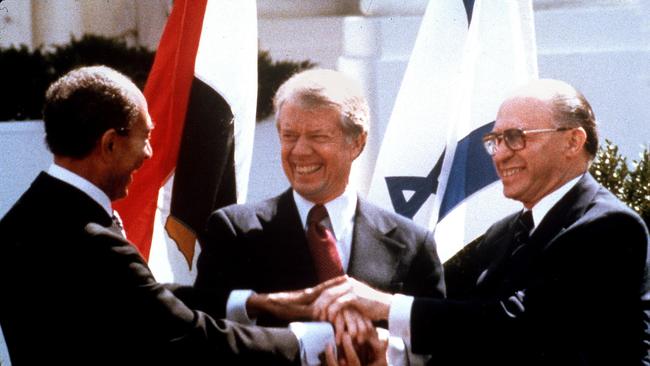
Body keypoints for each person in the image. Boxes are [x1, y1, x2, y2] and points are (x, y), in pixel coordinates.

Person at [311, 79, 650, 366]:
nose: (500, 154)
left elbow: (517, 327)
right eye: (495, 141)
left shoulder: (611, 227)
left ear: (572, 142)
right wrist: (388, 350)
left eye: (516, 137)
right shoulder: (503, 234)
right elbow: (452, 309)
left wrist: (384, 306)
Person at [0, 65, 316, 365]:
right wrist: (307, 343)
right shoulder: (93, 242)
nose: (149, 154)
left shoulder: (24, 217)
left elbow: (131, 296)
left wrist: (251, 304)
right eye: (145, 137)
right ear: (110, 144)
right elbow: (182, 335)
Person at [189, 68, 444, 362]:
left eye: (317, 136)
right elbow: (204, 334)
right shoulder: (235, 232)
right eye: (289, 136)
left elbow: (440, 347)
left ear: (357, 142)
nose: (300, 151)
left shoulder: (413, 243)